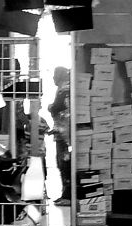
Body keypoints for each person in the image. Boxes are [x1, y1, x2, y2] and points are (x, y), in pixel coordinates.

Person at [47, 66, 72, 205]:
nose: (53, 78)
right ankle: (65, 194)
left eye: (55, 75)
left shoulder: (65, 89)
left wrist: (51, 107)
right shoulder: (64, 88)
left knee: (64, 164)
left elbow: (59, 108)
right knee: (62, 164)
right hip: (62, 134)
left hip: (65, 136)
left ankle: (68, 196)